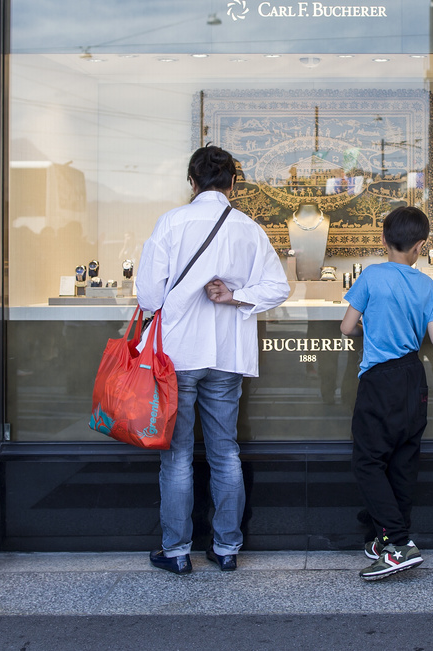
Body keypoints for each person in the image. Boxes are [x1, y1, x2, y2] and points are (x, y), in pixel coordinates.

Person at [139, 146, 290, 575]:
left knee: (178, 455)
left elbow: (149, 297)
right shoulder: (249, 229)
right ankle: (226, 548)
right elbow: (278, 288)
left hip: (178, 355)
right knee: (225, 452)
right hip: (226, 354)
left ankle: (177, 552)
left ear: (192, 181)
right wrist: (235, 294)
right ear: (233, 183)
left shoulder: (171, 223)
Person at [340, 205, 433, 580]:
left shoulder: (371, 277)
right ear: (421, 245)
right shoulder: (426, 285)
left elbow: (347, 328)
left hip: (380, 380)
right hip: (414, 376)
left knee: (367, 461)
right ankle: (388, 539)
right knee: (402, 461)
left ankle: (397, 543)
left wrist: (373, 325)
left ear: (383, 240)